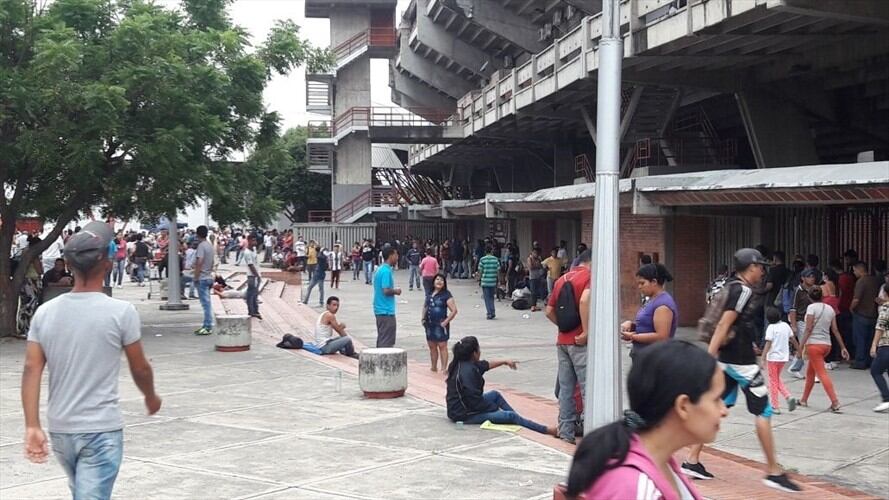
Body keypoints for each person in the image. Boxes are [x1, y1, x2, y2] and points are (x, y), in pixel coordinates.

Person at [21, 221, 161, 500]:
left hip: (61, 430)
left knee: (83, 492)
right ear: (108, 264)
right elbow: (140, 367)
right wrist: (150, 396)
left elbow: (31, 369)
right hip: (101, 430)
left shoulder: (45, 313)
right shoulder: (121, 312)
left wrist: (32, 425)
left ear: (69, 265)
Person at [683, 248, 801, 493]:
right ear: (751, 267)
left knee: (721, 406)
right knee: (764, 411)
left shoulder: (730, 285)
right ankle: (773, 471)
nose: (763, 271)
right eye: (761, 266)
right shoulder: (743, 290)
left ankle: (692, 460)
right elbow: (724, 325)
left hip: (728, 361)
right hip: (741, 363)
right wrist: (708, 358)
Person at [567, 341, 725, 500]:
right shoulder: (634, 487)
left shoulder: (663, 463)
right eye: (716, 399)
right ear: (683, 406)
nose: (724, 411)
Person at [445, 336, 556, 435]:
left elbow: (486, 365)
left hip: (465, 407)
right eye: (479, 349)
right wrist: (493, 409)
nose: (480, 352)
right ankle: (547, 430)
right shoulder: (467, 372)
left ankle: (518, 420)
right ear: (474, 353)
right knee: (510, 416)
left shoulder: (465, 363)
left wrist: (504, 361)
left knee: (495, 395)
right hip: (463, 414)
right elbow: (474, 401)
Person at [546, 249, 591, 444]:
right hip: (580, 343)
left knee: (566, 389)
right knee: (587, 388)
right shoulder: (589, 277)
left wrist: (563, 328)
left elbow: (548, 311)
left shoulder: (562, 279)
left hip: (562, 341)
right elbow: (584, 299)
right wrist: (585, 331)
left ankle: (566, 432)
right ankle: (592, 433)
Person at [798, 287, 849, 412]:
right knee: (810, 372)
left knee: (821, 374)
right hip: (827, 344)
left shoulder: (811, 308)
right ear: (822, 296)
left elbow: (808, 329)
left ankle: (835, 402)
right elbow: (835, 330)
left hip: (814, 345)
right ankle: (803, 399)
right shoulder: (830, 309)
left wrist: (800, 347)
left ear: (809, 297)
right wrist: (843, 347)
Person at [621, 263, 678, 358]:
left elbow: (661, 337)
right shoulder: (651, 300)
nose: (639, 287)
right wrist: (632, 325)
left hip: (654, 359)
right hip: (643, 356)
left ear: (654, 282)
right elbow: (647, 326)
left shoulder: (663, 305)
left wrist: (632, 336)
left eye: (642, 283)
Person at [762, 307, 800, 414]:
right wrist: (799, 350)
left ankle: (775, 405)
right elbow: (792, 339)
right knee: (776, 379)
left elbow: (768, 343)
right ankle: (788, 397)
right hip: (783, 358)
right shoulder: (785, 325)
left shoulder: (771, 328)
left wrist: (763, 356)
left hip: (773, 358)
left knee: (773, 381)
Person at [423, 273, 457, 373]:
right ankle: (433, 367)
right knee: (432, 346)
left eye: (441, 280)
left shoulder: (446, 295)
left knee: (442, 346)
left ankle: (443, 368)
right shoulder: (430, 293)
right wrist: (422, 318)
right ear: (433, 282)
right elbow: (425, 306)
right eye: (437, 279)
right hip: (429, 323)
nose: (439, 282)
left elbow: (454, 310)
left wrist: (446, 322)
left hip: (441, 324)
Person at [788, 268, 818, 378]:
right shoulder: (798, 290)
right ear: (803, 278)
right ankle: (810, 372)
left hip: (812, 320)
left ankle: (794, 367)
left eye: (813, 276)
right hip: (801, 321)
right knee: (806, 346)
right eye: (809, 276)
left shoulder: (815, 289)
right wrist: (794, 325)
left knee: (806, 346)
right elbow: (793, 308)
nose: (812, 278)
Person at [851, 262, 881, 369]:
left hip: (861, 314)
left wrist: (851, 308)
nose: (854, 273)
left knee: (860, 339)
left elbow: (856, 299)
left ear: (859, 270)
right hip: (874, 314)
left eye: (854, 270)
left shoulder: (861, 282)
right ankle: (870, 361)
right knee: (870, 339)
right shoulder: (875, 280)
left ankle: (860, 361)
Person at [373, 245, 401, 347]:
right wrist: (396, 291)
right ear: (391, 255)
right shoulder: (386, 271)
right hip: (386, 310)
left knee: (382, 338)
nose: (397, 257)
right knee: (386, 342)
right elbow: (386, 290)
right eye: (396, 254)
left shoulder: (380, 269)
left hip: (380, 308)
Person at [192, 225, 215, 336]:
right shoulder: (210, 246)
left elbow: (199, 261)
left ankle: (207, 326)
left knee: (205, 304)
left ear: (197, 234)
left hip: (202, 278)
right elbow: (211, 262)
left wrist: (196, 276)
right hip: (209, 276)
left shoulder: (201, 246)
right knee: (208, 302)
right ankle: (207, 324)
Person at [870, 284, 889, 412]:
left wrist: (874, 345)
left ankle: (886, 398)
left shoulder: (885, 307)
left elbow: (880, 327)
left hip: (886, 344)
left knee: (875, 371)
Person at [478, 246, 500, 320]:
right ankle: (492, 312)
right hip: (493, 281)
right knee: (491, 297)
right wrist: (499, 280)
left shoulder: (482, 259)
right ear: (491, 251)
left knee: (487, 298)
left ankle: (489, 313)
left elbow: (480, 271)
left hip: (485, 281)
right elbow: (498, 271)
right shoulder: (496, 259)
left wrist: (479, 279)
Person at [242, 235, 261, 319]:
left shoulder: (254, 250)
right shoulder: (247, 252)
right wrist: (256, 275)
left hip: (256, 274)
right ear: (248, 241)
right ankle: (251, 311)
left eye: (255, 240)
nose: (255, 242)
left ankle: (255, 310)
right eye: (253, 240)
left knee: (255, 294)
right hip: (251, 276)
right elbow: (251, 265)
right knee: (251, 295)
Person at [526, 247, 545, 311]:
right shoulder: (530, 258)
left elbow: (541, 266)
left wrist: (538, 264)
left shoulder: (539, 259)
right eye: (534, 253)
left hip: (538, 277)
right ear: (532, 253)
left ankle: (535, 305)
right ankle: (532, 305)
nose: (536, 254)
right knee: (533, 292)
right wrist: (537, 265)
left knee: (536, 292)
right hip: (532, 277)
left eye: (537, 253)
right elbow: (531, 267)